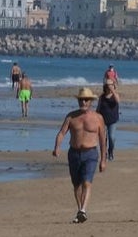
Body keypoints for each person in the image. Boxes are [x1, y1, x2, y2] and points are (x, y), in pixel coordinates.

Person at [52, 88, 107, 224]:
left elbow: (102, 139)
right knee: (76, 185)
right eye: (81, 99)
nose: (83, 102)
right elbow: (61, 133)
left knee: (87, 182)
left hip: (91, 153)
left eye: (86, 99)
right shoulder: (71, 116)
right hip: (74, 153)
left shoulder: (98, 118)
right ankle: (80, 211)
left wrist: (103, 160)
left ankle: (83, 210)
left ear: (91, 102)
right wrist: (57, 147)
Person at [96, 80, 121, 161]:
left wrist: (113, 90)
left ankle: (110, 151)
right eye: (108, 85)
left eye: (111, 85)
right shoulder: (102, 97)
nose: (109, 87)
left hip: (112, 120)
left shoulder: (115, 95)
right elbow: (98, 108)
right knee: (103, 138)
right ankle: (104, 154)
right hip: (102, 120)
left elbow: (118, 101)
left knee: (111, 137)